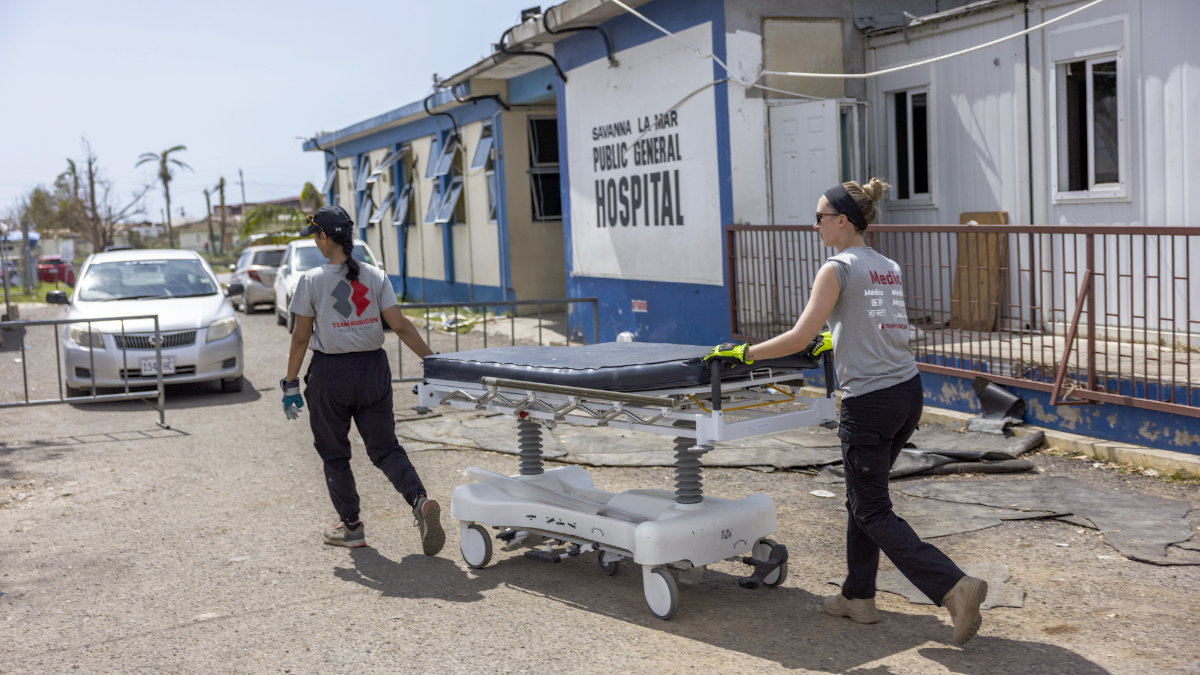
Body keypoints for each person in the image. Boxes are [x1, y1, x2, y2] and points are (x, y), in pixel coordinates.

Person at [704, 179, 988, 647]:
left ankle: (953, 586)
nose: (814, 224)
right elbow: (870, 324)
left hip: (870, 402)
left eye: (819, 216)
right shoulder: (886, 265)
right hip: (906, 393)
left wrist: (744, 354)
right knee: (864, 499)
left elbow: (797, 338)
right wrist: (832, 338)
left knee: (872, 508)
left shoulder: (834, 269)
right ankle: (858, 597)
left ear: (842, 220)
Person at [281, 205, 444, 555]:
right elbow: (399, 324)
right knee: (385, 448)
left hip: (331, 375)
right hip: (373, 370)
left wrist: (291, 383)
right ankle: (418, 500)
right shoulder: (374, 275)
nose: (315, 240)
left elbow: (299, 338)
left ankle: (351, 527)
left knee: (334, 453)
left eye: (315, 234)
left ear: (324, 237)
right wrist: (432, 361)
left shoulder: (311, 281)